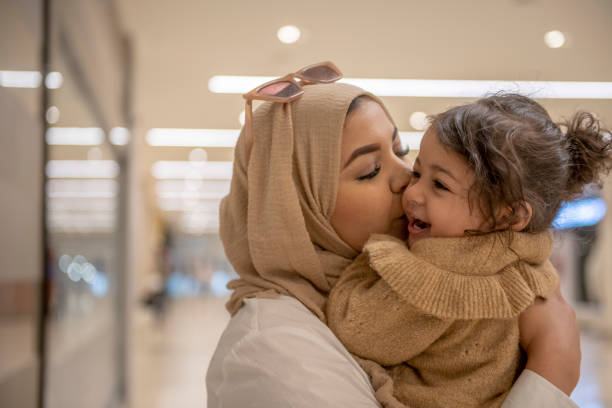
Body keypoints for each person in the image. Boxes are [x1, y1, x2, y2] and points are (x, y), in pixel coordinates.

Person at [206, 63, 582, 407]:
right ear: (293, 203)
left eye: (401, 151)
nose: (406, 179)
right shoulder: (274, 353)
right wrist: (550, 373)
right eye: (370, 169)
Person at [327, 94, 612, 407]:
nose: (412, 192)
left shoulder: (440, 269)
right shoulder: (528, 259)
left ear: (510, 215)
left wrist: (383, 251)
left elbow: (358, 330)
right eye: (418, 173)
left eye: (440, 185)